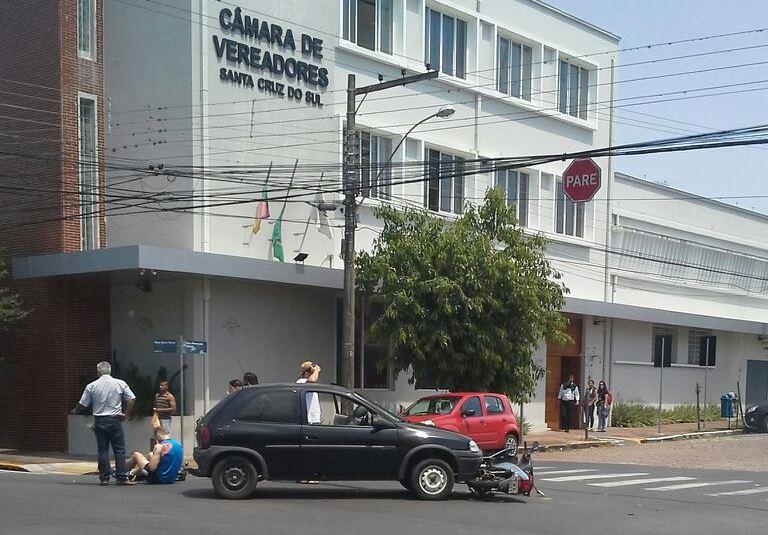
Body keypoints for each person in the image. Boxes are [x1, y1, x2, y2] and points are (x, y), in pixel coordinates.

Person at [71, 361, 136, 486]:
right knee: (119, 449)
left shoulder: (92, 385)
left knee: (103, 449)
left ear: (98, 371)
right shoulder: (120, 383)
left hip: (100, 420)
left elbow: (83, 403)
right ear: (110, 371)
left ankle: (104, 477)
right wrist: (126, 414)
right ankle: (121, 476)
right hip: (115, 419)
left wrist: (75, 410)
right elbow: (132, 399)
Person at [126, 419, 183, 485]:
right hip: (171, 479)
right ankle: (133, 473)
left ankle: (121, 473)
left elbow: (152, 468)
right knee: (150, 455)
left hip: (158, 479)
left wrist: (142, 466)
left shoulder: (159, 446)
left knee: (136, 455)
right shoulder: (179, 445)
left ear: (156, 437)